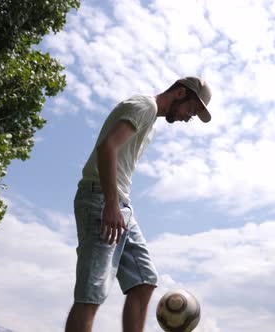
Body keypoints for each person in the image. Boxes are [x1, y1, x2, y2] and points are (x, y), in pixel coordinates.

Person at [64, 77, 212, 332]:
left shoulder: (150, 122)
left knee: (144, 281)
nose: (189, 117)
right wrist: (110, 203)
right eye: (191, 109)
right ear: (179, 93)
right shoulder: (145, 106)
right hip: (101, 198)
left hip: (120, 204)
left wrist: (116, 204)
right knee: (92, 292)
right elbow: (107, 147)